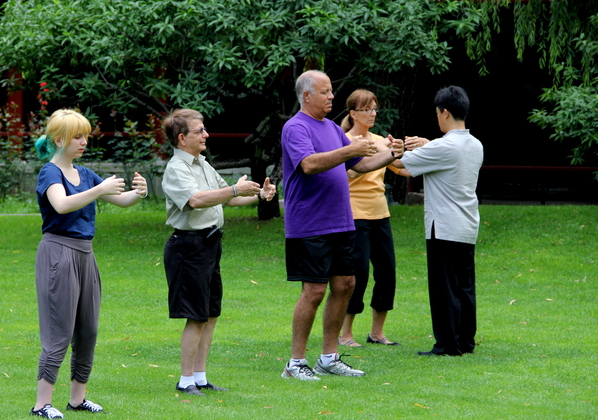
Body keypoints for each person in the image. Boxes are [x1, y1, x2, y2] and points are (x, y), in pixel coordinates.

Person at [281, 70, 404, 381]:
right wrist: (349, 149)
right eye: (325, 92)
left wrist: (391, 154)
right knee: (314, 290)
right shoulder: (295, 127)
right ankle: (295, 363)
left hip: (341, 221)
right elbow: (309, 164)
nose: (331, 96)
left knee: (345, 285)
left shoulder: (333, 128)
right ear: (307, 96)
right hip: (310, 223)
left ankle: (329, 357)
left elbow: (361, 165)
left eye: (331, 91)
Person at [30, 109, 148, 418]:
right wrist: (99, 190)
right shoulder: (50, 173)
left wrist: (139, 193)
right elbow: (61, 204)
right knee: (59, 331)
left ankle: (77, 399)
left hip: (85, 253)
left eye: (86, 136)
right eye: (78, 137)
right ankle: (42, 404)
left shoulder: (84, 173)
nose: (84, 142)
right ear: (59, 140)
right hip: (58, 253)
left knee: (88, 329)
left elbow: (121, 200)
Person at [161, 109, 276, 396]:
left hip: (210, 245)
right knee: (196, 315)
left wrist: (258, 195)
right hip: (188, 247)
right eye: (199, 131)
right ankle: (185, 380)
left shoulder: (202, 163)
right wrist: (235, 190)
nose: (206, 135)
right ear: (182, 138)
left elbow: (228, 198)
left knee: (210, 313)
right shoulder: (177, 168)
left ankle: (200, 378)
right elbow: (196, 200)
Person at [399, 86, 483, 356]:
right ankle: (465, 341)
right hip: (467, 224)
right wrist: (427, 144)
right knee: (464, 287)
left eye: (437, 113)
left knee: (444, 288)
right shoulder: (475, 144)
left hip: (444, 226)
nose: (437, 117)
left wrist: (382, 150)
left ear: (445, 112)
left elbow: (401, 167)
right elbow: (442, 155)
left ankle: (447, 344)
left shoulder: (443, 146)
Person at [338, 89, 410, 348]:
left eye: (375, 108)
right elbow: (345, 175)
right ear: (353, 113)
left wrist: (400, 151)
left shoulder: (380, 141)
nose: (372, 114)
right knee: (358, 275)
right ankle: (345, 334)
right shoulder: (343, 141)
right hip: (354, 215)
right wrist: (365, 156)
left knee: (387, 273)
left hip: (381, 214)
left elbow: (401, 169)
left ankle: (377, 333)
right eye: (367, 109)